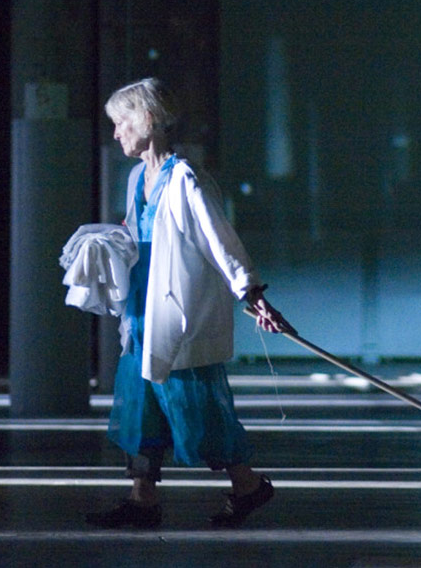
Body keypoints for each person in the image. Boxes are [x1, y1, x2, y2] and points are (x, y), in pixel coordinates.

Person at [86, 77, 289, 529]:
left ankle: (248, 485)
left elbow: (219, 240)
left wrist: (251, 293)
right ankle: (142, 499)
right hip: (141, 309)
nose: (116, 132)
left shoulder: (184, 179)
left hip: (175, 311)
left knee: (193, 403)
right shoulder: (138, 177)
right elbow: (138, 234)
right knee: (140, 402)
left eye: (122, 122)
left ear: (150, 120)